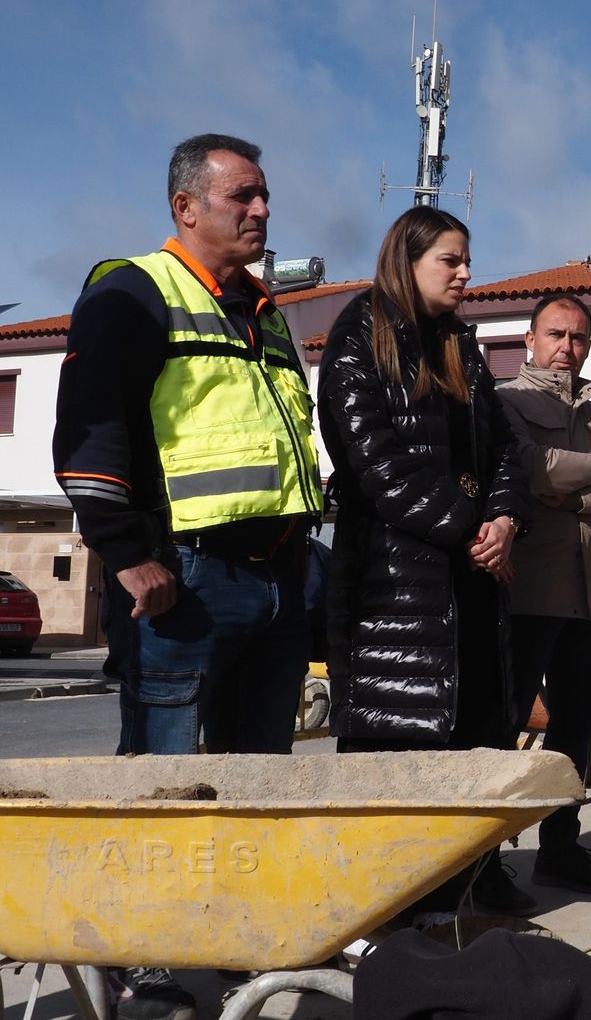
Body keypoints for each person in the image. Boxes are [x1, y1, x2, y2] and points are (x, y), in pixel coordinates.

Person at [52, 133, 323, 1020]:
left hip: (278, 577)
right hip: (189, 579)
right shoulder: (132, 291)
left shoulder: (267, 311)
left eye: (265, 195)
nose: (261, 210)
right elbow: (91, 433)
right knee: (162, 782)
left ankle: (235, 943)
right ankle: (147, 957)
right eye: (243, 195)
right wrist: (126, 552)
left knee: (256, 781)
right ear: (186, 207)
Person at [318, 205, 534, 917]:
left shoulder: (461, 347)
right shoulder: (359, 336)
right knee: (391, 765)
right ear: (407, 260)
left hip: (469, 592)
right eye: (451, 260)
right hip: (392, 596)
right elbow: (375, 467)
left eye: (466, 259)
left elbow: (504, 449)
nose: (467, 274)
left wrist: (505, 519)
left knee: (466, 756)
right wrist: (475, 529)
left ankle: (455, 911)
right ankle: (384, 924)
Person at [499, 292, 591, 894]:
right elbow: (532, 468)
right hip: (528, 593)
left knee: (576, 730)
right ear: (529, 341)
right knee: (505, 725)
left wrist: (581, 494)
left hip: (590, 597)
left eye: (579, 338)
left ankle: (559, 847)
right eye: (556, 335)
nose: (567, 348)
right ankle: (484, 859)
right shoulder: (505, 402)